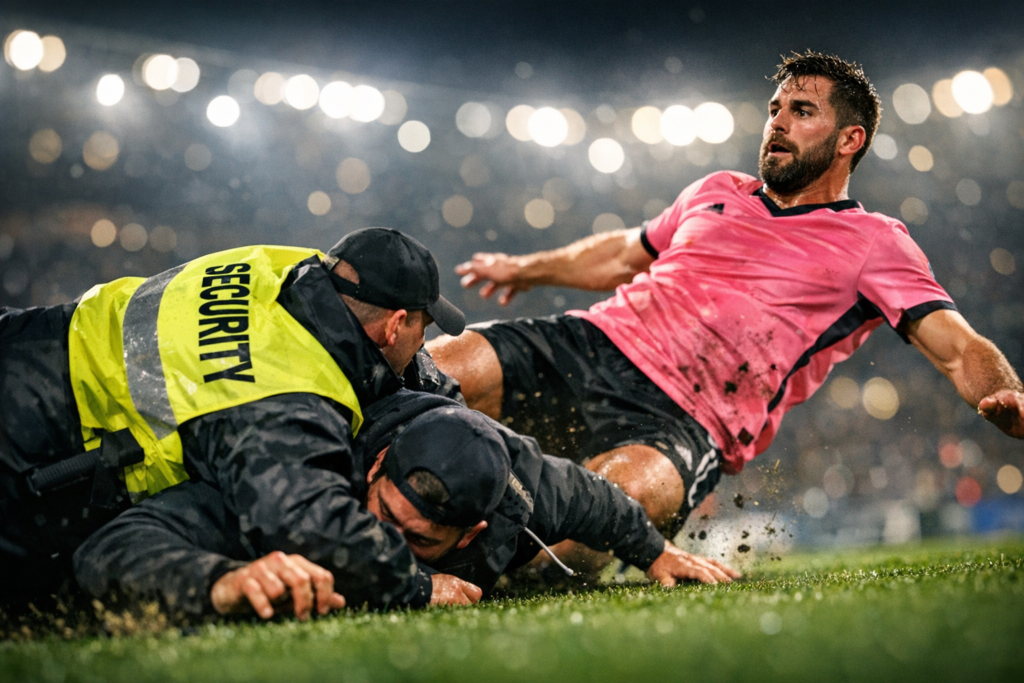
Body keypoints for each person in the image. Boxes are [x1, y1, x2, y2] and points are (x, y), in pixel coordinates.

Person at [427, 51, 1024, 562]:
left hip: (690, 419)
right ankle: (343, 472)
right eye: (775, 110)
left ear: (850, 139)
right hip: (595, 344)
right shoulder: (716, 191)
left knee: (610, 509)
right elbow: (619, 255)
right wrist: (524, 269)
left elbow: (959, 348)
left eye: (803, 111)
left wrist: (1006, 391)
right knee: (449, 363)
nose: (778, 124)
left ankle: (458, 565)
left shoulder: (875, 242)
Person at [0, 227, 473, 607]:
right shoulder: (290, 390)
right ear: (394, 326)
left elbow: (395, 360)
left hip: (31, 337)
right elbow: (309, 524)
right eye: (422, 328)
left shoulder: (286, 267)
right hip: (37, 445)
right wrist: (419, 586)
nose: (423, 345)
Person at [74, 391, 739, 618]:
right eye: (379, 511)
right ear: (377, 464)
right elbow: (107, 550)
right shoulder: (297, 479)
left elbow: (602, 503)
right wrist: (222, 580)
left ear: (472, 531)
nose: (374, 534)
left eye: (416, 539)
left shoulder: (525, 486)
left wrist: (657, 554)